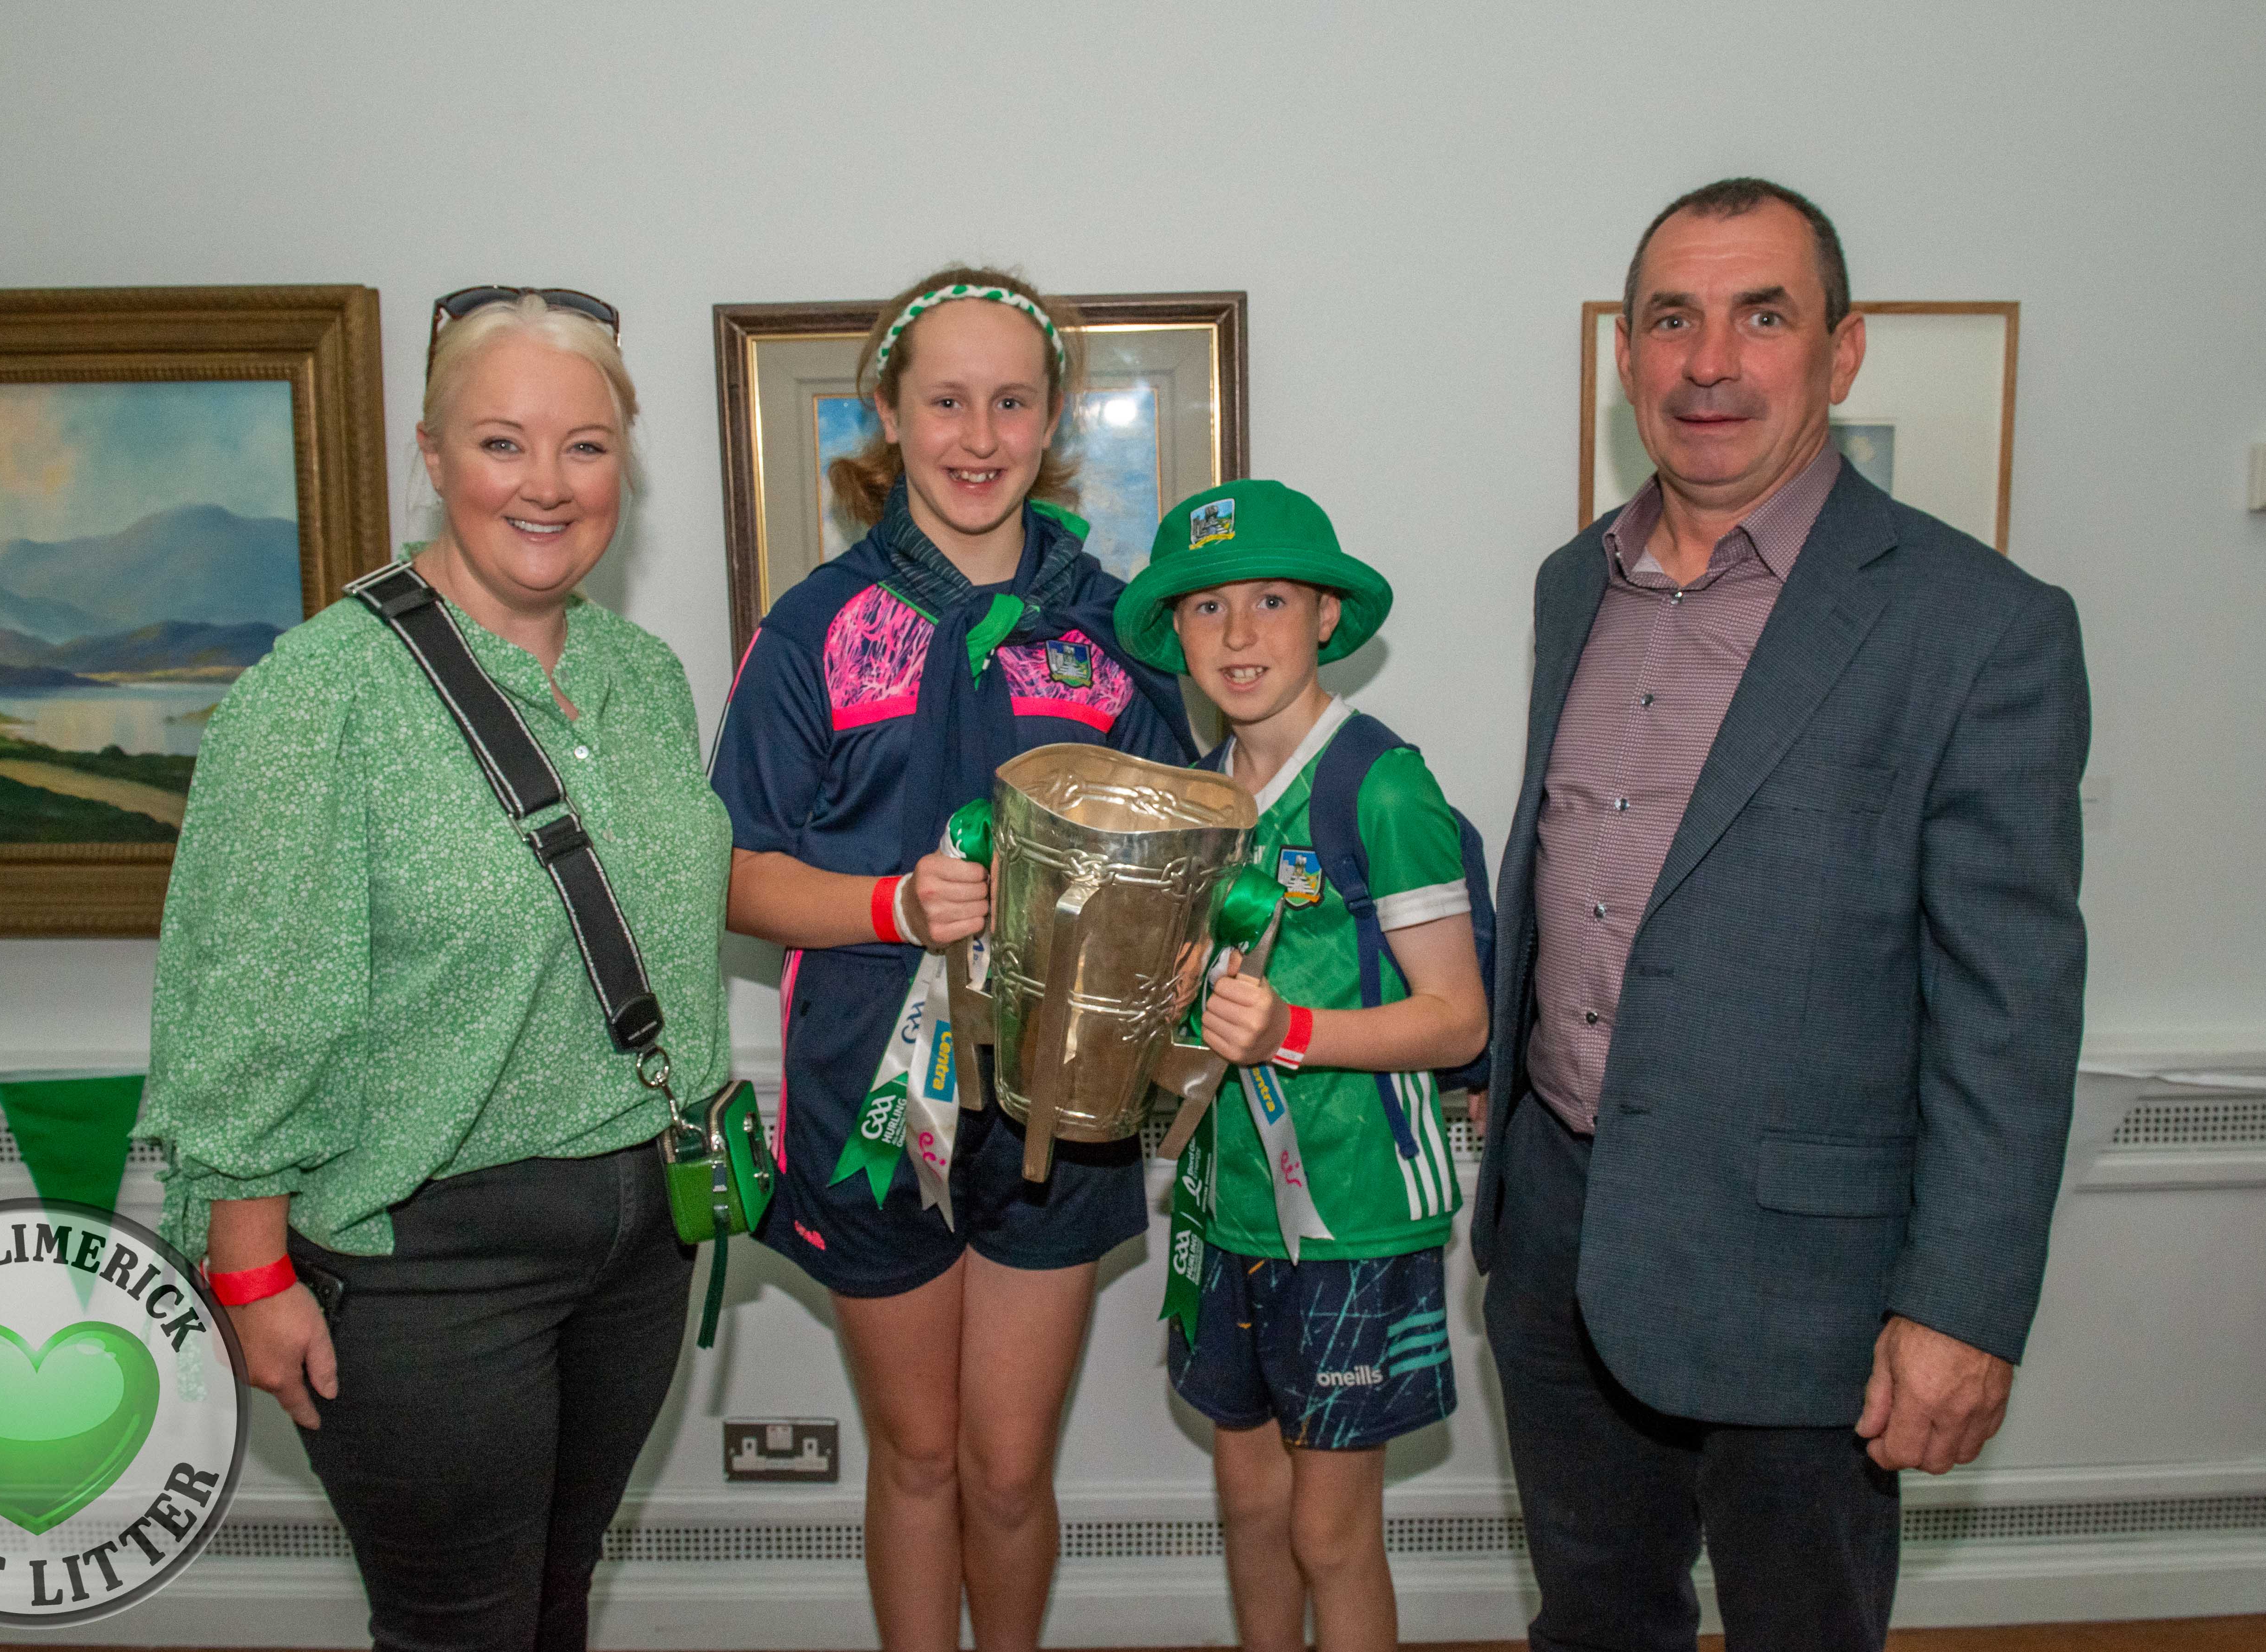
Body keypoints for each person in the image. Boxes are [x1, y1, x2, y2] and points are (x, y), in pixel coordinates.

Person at [1473, 178, 2092, 1652]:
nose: (1709, 362)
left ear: (1841, 350)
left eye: (1761, 317)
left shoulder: (1977, 624)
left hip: (1807, 1278)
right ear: (1624, 355)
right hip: (1558, 1234)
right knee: (1592, 1622)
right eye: (1671, 320)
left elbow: (2007, 1010)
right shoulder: (1575, 582)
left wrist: (1962, 1307)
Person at [144, 289, 732, 1652]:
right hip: (428, 1263)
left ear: (624, 464)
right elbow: (251, 997)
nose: (546, 484)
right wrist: (249, 1268)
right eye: (501, 442)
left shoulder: (642, 676)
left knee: (555, 1599)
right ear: (432, 454)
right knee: (458, 1628)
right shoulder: (321, 693)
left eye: (585, 446)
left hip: (640, 1235)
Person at [710, 265, 1193, 1652]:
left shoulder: (1114, 628)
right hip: (872, 1099)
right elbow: (731, 873)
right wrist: (892, 906)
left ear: (1052, 420)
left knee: (1008, 1466)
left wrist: (1187, 948)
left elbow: (1187, 851)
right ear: (887, 412)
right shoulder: (813, 627)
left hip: (1065, 1105)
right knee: (918, 1457)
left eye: (1011, 404)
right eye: (946, 403)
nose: (979, 439)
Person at [1112, 479, 1491, 1652]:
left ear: (1327, 614)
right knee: (1249, 1501)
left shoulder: (1381, 784)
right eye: (1207, 605)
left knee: (1331, 1532)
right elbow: (1203, 1017)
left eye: (1271, 599)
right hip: (1228, 1206)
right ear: (1175, 630)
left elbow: (1458, 1021)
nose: (1238, 633)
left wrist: (1290, 1030)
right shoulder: (1200, 800)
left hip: (1355, 1212)